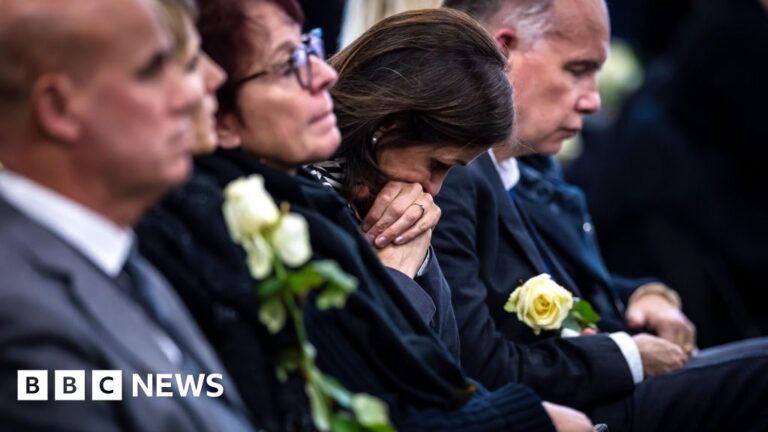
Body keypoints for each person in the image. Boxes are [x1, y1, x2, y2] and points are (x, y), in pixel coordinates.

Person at [170, 0, 583, 429]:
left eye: (308, 50)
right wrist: (395, 277)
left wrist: (417, 258)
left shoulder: (366, 199)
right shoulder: (260, 210)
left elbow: (447, 368)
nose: (324, 74)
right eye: (288, 64)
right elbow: (361, 398)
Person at [435, 0, 768, 431]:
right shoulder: (448, 178)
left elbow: (568, 297)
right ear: (503, 50)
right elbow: (480, 367)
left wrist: (642, 295)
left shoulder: (529, 162)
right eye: (577, 70)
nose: (593, 101)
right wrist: (629, 357)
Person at [0, 0, 254, 430]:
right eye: (153, 69)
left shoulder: (112, 256)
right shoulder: (18, 311)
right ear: (58, 108)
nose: (192, 93)